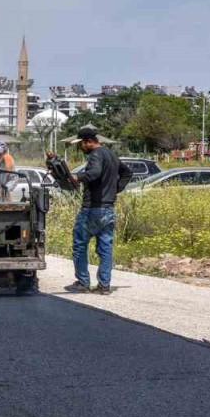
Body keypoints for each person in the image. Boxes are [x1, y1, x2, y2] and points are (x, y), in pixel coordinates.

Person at [66, 126, 132, 295]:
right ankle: (104, 285)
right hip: (108, 208)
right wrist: (115, 190)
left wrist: (77, 177)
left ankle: (83, 282)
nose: (80, 148)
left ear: (88, 142)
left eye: (80, 144)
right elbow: (127, 173)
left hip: (92, 208)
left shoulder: (96, 155)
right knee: (105, 248)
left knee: (80, 245)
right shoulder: (110, 154)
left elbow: (94, 173)